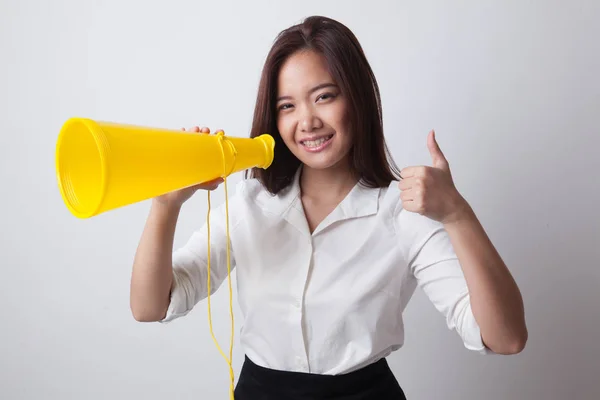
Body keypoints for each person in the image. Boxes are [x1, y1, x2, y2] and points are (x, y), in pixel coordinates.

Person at [129, 15, 527, 400]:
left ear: (356, 98)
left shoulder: (403, 213)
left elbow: (506, 338)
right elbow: (150, 307)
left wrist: (457, 214)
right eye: (287, 106)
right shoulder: (249, 205)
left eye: (324, 96)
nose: (307, 121)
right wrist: (165, 204)